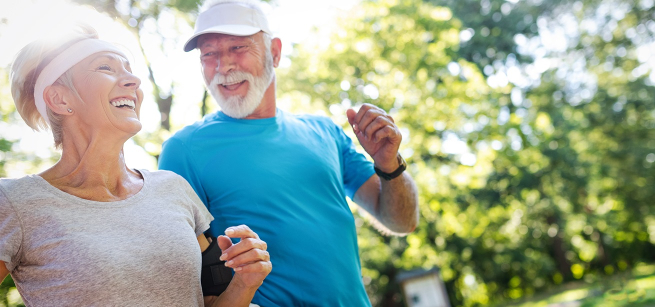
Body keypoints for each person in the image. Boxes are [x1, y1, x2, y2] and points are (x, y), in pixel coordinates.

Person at [159, 0, 420, 305]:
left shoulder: (326, 132)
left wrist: (389, 164)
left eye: (238, 48)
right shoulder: (183, 150)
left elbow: (403, 222)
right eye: (209, 54)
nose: (223, 66)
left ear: (274, 52)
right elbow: (180, 279)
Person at [0, 24, 271, 306]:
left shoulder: (173, 188)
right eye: (105, 67)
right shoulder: (16, 203)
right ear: (59, 98)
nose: (133, 80)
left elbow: (211, 300)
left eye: (129, 69)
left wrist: (243, 284)